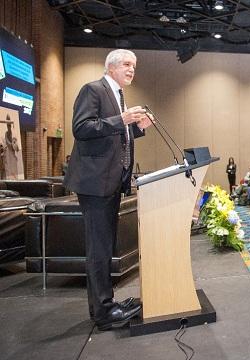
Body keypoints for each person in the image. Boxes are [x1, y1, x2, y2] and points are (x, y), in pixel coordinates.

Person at [63, 49, 151, 330]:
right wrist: (122, 120)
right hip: (95, 183)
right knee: (99, 250)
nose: (131, 70)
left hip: (111, 183)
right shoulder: (93, 90)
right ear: (111, 67)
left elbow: (113, 135)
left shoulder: (118, 96)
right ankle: (102, 313)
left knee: (104, 248)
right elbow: (82, 128)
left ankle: (108, 303)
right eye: (127, 64)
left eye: (134, 66)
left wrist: (138, 128)